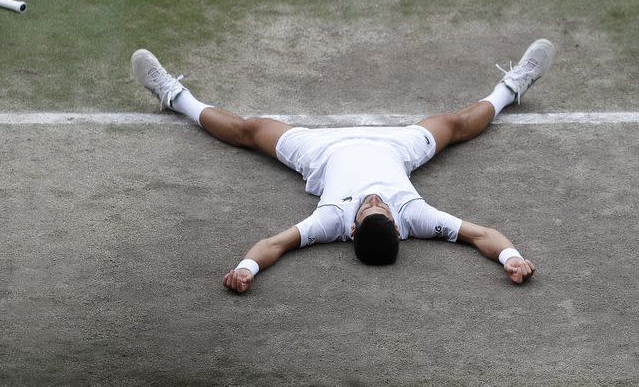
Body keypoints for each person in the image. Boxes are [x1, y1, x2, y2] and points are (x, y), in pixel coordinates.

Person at [131, 39, 555, 293]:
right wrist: (511, 258)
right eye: (382, 207)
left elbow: (273, 245)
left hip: (320, 151)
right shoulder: (415, 217)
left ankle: (174, 96)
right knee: (455, 125)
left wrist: (245, 269)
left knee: (249, 129)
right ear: (397, 224)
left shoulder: (331, 220)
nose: (376, 200)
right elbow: (483, 235)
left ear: (352, 229)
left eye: (372, 207)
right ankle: (512, 86)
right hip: (396, 147)